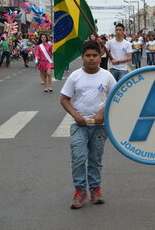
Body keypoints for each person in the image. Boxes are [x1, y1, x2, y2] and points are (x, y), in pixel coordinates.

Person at [60, 41, 116, 209]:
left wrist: (102, 113)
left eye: (95, 55)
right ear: (82, 57)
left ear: (100, 57)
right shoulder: (75, 76)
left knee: (95, 160)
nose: (91, 59)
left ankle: (95, 190)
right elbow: (64, 99)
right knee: (78, 158)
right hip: (79, 126)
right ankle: (80, 190)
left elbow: (117, 98)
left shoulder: (107, 76)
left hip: (99, 127)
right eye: (88, 55)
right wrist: (76, 115)